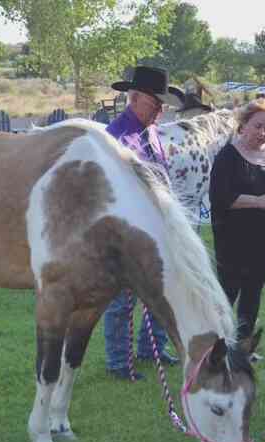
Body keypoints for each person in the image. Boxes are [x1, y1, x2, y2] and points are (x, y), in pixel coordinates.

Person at [102, 66, 185, 380]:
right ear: (134, 98)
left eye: (162, 105)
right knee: (123, 300)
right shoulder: (116, 137)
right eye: (155, 104)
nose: (160, 111)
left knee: (157, 292)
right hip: (128, 230)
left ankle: (151, 349)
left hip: (155, 227)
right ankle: (119, 362)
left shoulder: (150, 132)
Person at [209, 98, 265, 341]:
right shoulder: (228, 156)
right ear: (243, 125)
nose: (262, 132)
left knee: (253, 290)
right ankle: (218, 342)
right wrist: (258, 201)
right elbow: (220, 198)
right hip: (233, 238)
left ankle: (244, 343)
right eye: (257, 126)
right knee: (228, 291)